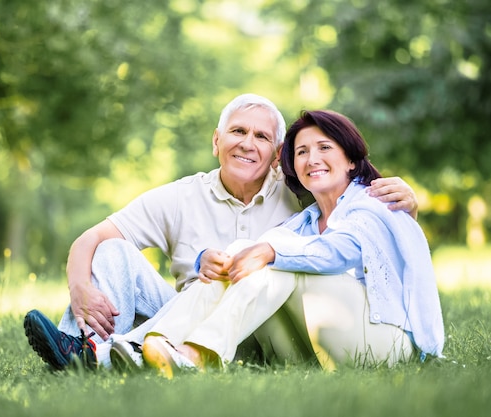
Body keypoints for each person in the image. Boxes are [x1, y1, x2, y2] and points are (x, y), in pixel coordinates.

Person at [23, 94, 419, 371]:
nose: (248, 144)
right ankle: (83, 346)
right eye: (237, 132)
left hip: (276, 330)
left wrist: (408, 207)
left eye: (262, 137)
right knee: (111, 250)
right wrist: (79, 289)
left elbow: (362, 229)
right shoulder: (183, 196)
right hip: (190, 320)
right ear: (217, 140)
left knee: (267, 256)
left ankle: (122, 353)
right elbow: (88, 240)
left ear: (274, 154)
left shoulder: (308, 193)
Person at [141, 109, 444, 378]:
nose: (312, 159)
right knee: (247, 253)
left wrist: (271, 252)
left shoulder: (374, 202)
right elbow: (254, 252)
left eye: (324, 147)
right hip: (323, 352)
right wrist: (206, 259)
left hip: (389, 347)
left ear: (351, 160)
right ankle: (155, 344)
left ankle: (198, 354)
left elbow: (340, 251)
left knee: (279, 261)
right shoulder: (305, 222)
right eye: (301, 152)